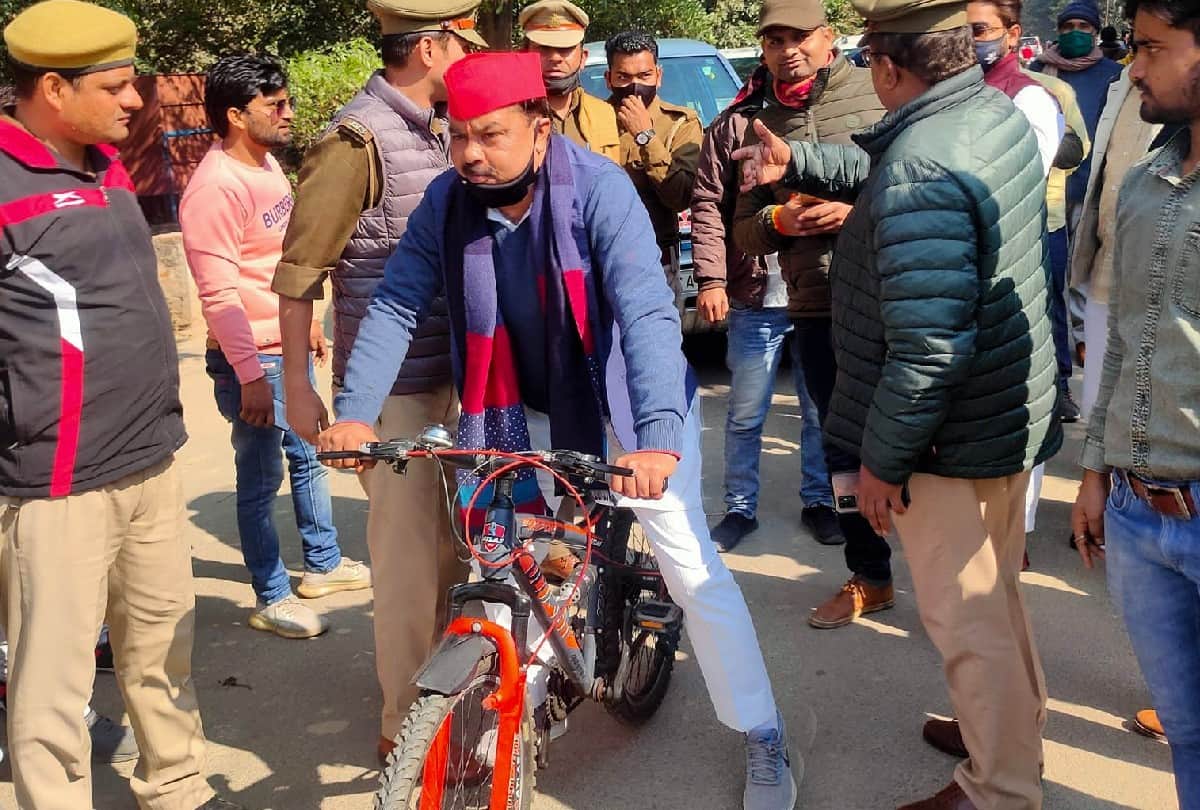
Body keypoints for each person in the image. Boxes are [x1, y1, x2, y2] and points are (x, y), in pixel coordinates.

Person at [321, 50, 800, 810]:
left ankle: (762, 732)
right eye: (458, 135)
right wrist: (354, 410)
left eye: (491, 135)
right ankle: (506, 704)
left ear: (539, 126)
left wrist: (656, 439)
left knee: (689, 571)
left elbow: (645, 311)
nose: (471, 153)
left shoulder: (600, 191)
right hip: (520, 404)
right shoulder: (447, 201)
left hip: (629, 406)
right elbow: (397, 302)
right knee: (508, 562)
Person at [734, 0, 1061, 804]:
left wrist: (881, 461)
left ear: (884, 66)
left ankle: (998, 787)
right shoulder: (988, 111)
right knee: (996, 599)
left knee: (966, 617)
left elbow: (927, 347)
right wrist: (800, 160)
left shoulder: (923, 163)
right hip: (1002, 407)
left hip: (948, 433)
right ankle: (1008, 732)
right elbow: (888, 171)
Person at [0, 1, 234, 807]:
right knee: (52, 688)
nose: (135, 100)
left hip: (151, 462)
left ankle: (176, 788)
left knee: (162, 652)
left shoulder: (105, 166)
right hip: (57, 483)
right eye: (116, 86)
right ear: (53, 89)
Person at [270, 0, 485, 765]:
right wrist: (299, 387)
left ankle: (443, 700)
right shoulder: (356, 141)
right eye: (464, 40)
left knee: (454, 556)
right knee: (407, 569)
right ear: (431, 48)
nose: (470, 54)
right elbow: (299, 272)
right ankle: (405, 727)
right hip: (394, 394)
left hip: (451, 380)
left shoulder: (440, 129)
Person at [180, 54, 369, 641]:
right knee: (260, 479)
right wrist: (250, 376)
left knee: (309, 457)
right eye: (275, 105)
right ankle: (271, 595)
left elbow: (277, 262)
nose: (288, 113)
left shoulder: (265, 165)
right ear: (236, 115)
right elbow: (218, 294)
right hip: (250, 359)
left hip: (280, 348)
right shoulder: (215, 187)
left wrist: (303, 326)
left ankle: (323, 564)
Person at [1071, 2, 1200, 806]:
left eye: (1152, 48)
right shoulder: (1146, 182)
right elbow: (1121, 341)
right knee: (1186, 731)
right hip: (1136, 514)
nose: (1134, 68)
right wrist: (1095, 472)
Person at [731, 0, 887, 615]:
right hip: (816, 305)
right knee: (840, 445)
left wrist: (857, 213)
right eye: (774, 40)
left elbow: (917, 185)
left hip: (888, 298)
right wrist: (779, 220)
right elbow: (744, 228)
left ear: (829, 38)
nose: (787, 50)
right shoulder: (758, 123)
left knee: (914, 438)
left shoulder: (877, 97)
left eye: (799, 37)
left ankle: (951, 582)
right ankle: (870, 574)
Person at [1030, 0, 1124, 423]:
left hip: (1092, 194)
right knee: (1051, 287)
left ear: (1096, 31)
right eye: (1067, 25)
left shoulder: (1114, 76)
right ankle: (1058, 382)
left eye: (1083, 26)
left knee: (1085, 284)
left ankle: (1088, 375)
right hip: (1047, 197)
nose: (1074, 33)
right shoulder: (1039, 72)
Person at [604, 30, 702, 290]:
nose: (634, 86)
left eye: (644, 75)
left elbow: (679, 197)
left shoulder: (680, 123)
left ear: (658, 76)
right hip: (598, 256)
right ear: (608, 79)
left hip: (657, 259)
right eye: (623, 77)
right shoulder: (593, 121)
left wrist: (645, 135)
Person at [519, 0, 620, 161]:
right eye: (543, 48)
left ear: (583, 58)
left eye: (565, 49)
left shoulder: (603, 113)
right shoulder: (511, 114)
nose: (555, 58)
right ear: (524, 54)